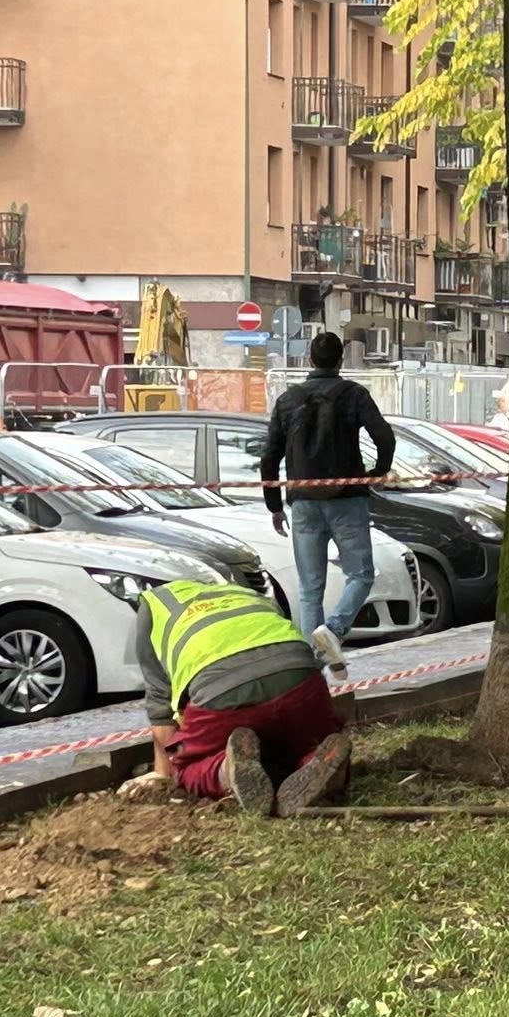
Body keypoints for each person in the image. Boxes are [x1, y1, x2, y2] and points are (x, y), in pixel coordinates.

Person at [137, 578, 351, 816]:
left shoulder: (154, 606)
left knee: (187, 768)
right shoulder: (245, 593)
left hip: (222, 693)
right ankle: (317, 758)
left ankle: (227, 770)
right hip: (300, 679)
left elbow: (160, 705)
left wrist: (165, 770)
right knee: (307, 740)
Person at [260, 330, 395, 675]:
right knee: (361, 574)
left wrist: (274, 504)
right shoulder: (354, 395)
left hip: (303, 502)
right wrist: (377, 472)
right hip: (347, 499)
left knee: (310, 588)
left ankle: (313, 670)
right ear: (340, 361)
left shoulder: (288, 400)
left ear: (309, 360)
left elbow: (270, 455)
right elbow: (384, 436)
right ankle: (333, 631)